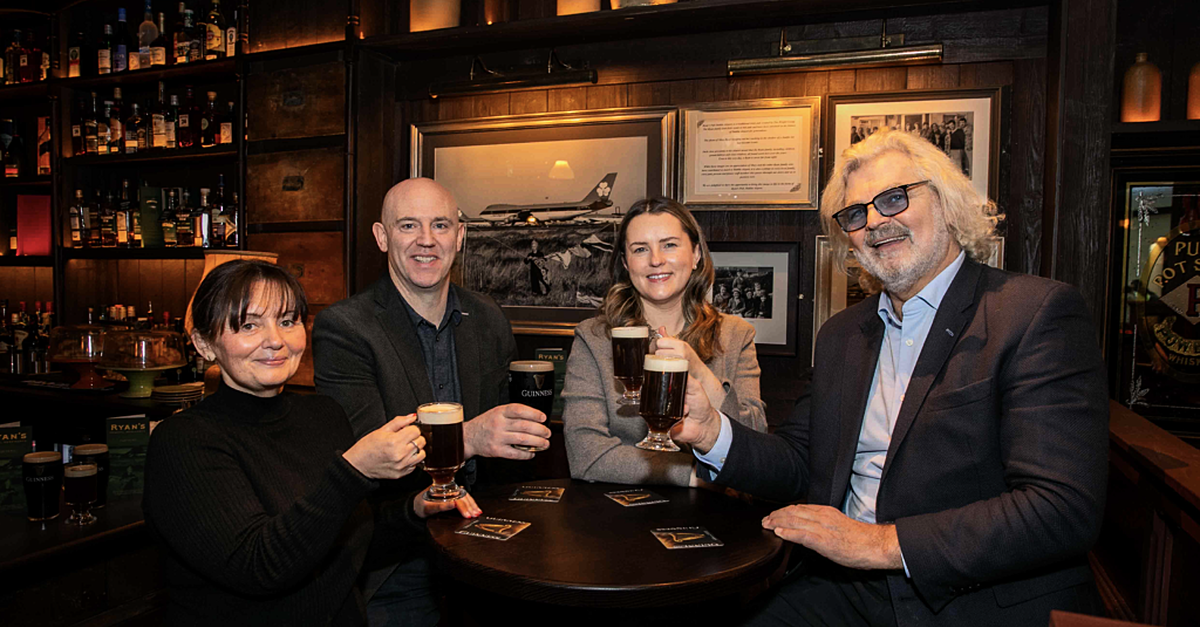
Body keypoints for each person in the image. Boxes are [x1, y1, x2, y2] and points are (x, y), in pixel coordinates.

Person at [672, 130, 1108, 625]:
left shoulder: (1033, 313)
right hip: (845, 587)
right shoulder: (842, 335)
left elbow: (1062, 509)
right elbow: (800, 462)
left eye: (894, 198)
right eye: (856, 214)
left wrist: (882, 543)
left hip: (972, 599)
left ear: (946, 203)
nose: (876, 221)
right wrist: (712, 434)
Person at [143, 260, 476, 625]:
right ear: (204, 343)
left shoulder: (322, 414)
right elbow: (260, 566)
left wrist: (415, 509)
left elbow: (345, 542)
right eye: (249, 325)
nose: (275, 340)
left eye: (288, 321)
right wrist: (354, 471)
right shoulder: (183, 442)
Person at [312, 178, 551, 627]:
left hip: (486, 539)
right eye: (408, 226)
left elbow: (511, 460)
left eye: (440, 225)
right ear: (382, 238)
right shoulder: (345, 329)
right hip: (397, 556)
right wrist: (472, 436)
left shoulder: (488, 318)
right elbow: (373, 456)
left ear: (459, 237)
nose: (426, 240)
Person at [561, 197, 766, 486]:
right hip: (617, 515)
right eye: (640, 249)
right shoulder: (594, 338)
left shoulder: (735, 335)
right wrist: (696, 477)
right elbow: (586, 456)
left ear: (695, 254)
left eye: (669, 244)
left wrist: (699, 372)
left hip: (715, 518)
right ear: (625, 263)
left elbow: (756, 446)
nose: (655, 259)